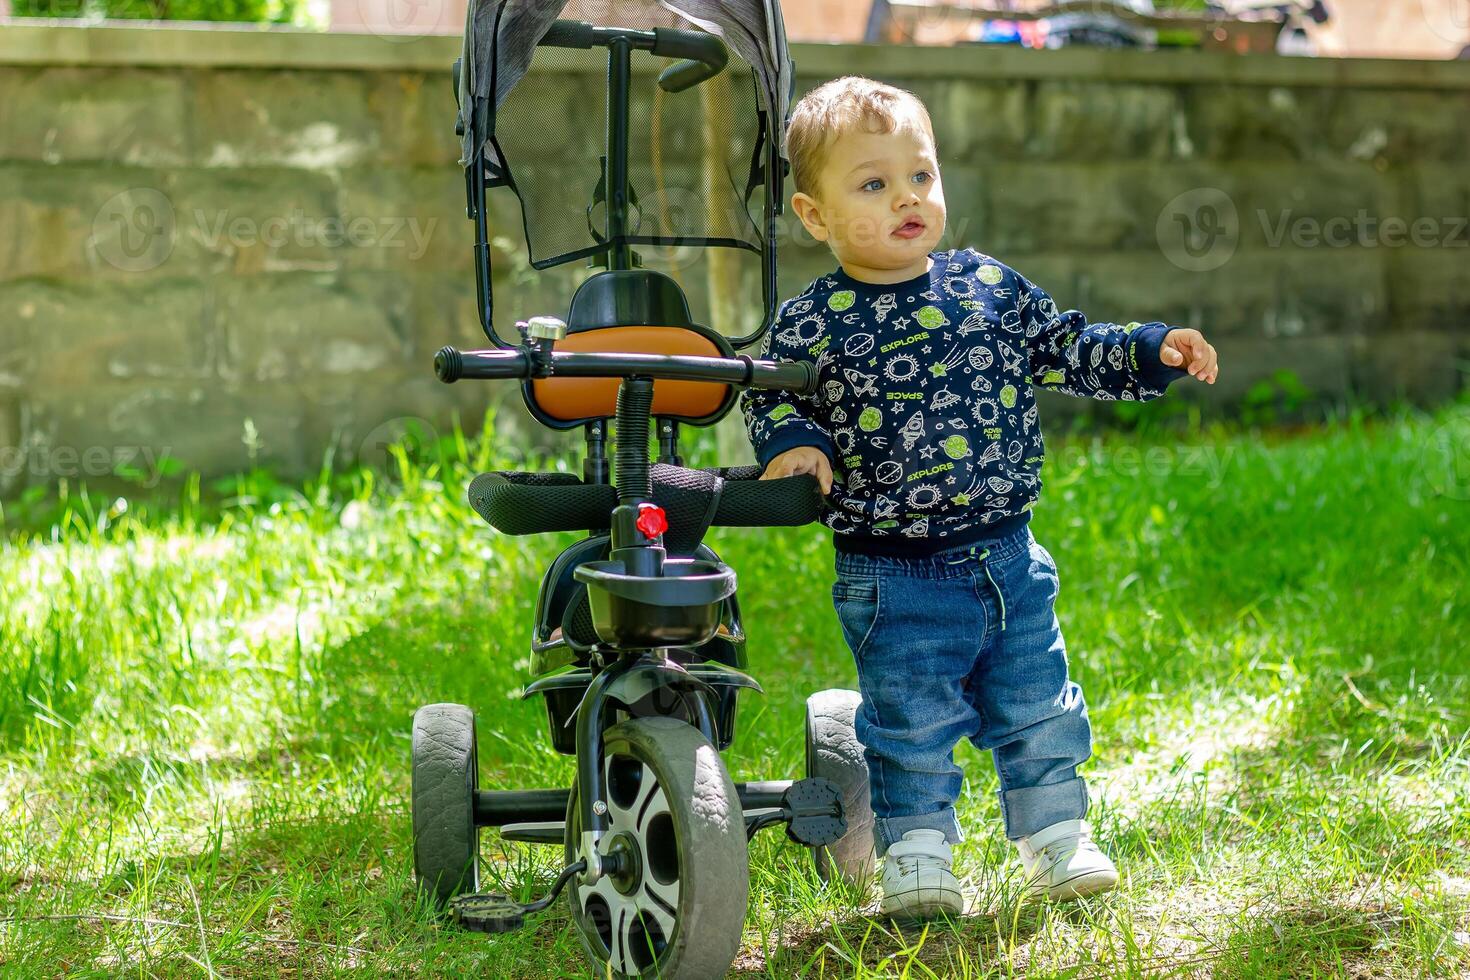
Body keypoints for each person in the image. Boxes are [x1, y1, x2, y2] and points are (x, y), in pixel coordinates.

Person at [742, 76, 1219, 921]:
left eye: (920, 176)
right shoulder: (811, 322)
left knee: (1039, 704)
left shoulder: (987, 287)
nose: (907, 199)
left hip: (1008, 557)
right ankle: (919, 854)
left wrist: (1151, 350)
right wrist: (796, 442)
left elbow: (1069, 344)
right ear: (814, 215)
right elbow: (773, 396)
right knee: (909, 720)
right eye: (874, 184)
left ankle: (1056, 839)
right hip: (893, 574)